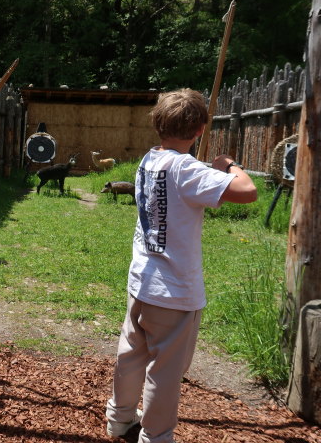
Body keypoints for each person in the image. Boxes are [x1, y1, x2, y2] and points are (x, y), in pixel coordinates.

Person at [105, 89, 257, 442]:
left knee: (131, 356)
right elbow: (247, 191)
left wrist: (208, 170)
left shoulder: (151, 159)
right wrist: (229, 165)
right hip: (174, 294)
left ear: (158, 123)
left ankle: (119, 420)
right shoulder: (187, 169)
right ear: (201, 128)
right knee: (165, 371)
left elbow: (180, 179)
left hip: (142, 284)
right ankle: (156, 437)